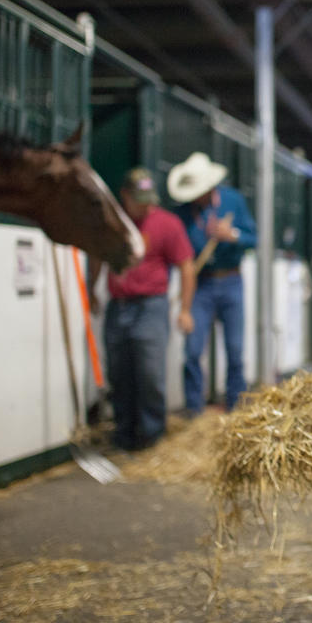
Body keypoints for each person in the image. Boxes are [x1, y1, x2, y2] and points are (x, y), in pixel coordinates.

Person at [90, 168, 195, 451]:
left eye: (149, 198)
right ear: (125, 196)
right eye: (139, 199)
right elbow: (99, 256)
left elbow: (186, 265)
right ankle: (123, 434)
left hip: (152, 306)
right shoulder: (113, 223)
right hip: (119, 305)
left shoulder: (167, 224)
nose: (146, 205)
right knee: (119, 372)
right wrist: (91, 289)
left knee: (150, 372)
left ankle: (151, 436)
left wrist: (185, 308)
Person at [168, 152, 257, 413]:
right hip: (200, 285)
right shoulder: (183, 214)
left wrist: (233, 235)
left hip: (231, 281)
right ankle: (194, 412)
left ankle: (236, 408)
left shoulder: (234, 201)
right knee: (193, 351)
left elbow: (254, 239)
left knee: (235, 350)